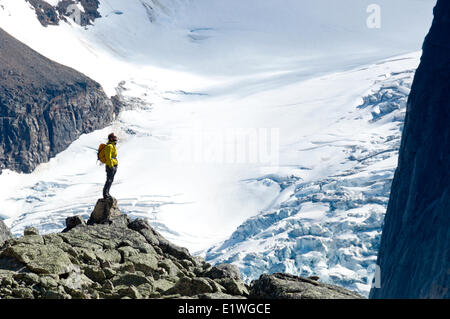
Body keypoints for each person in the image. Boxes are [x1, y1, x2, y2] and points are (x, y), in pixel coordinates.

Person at [103, 133, 118, 199]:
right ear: (111, 138)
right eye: (114, 137)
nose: (116, 138)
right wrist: (111, 166)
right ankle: (105, 194)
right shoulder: (109, 146)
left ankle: (107, 193)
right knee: (109, 180)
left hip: (114, 165)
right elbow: (108, 157)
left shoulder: (112, 146)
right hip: (110, 166)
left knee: (110, 180)